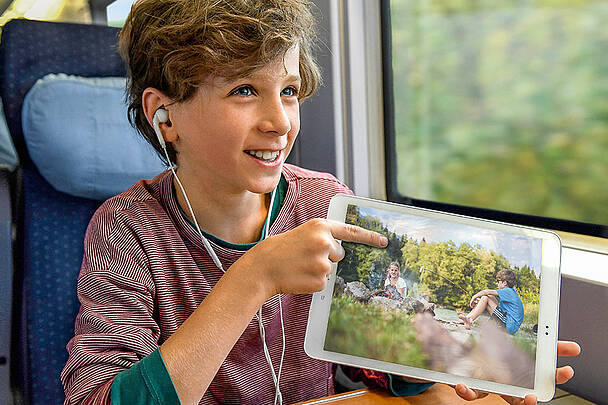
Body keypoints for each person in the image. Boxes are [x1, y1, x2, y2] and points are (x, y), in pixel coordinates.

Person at [60, 1, 579, 404]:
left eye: (287, 90)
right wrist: (252, 278)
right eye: (244, 90)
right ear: (165, 115)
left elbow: (363, 364)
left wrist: (436, 364)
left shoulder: (324, 200)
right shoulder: (126, 232)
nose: (280, 121)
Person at [458, 270, 524, 335]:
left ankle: (469, 320)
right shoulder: (511, 293)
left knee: (486, 297)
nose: (497, 283)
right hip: (510, 325)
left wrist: (474, 297)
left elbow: (486, 291)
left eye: (498, 281)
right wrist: (482, 302)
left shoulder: (507, 291)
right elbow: (497, 308)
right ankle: (467, 319)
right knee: (489, 297)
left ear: (505, 283)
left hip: (508, 325)